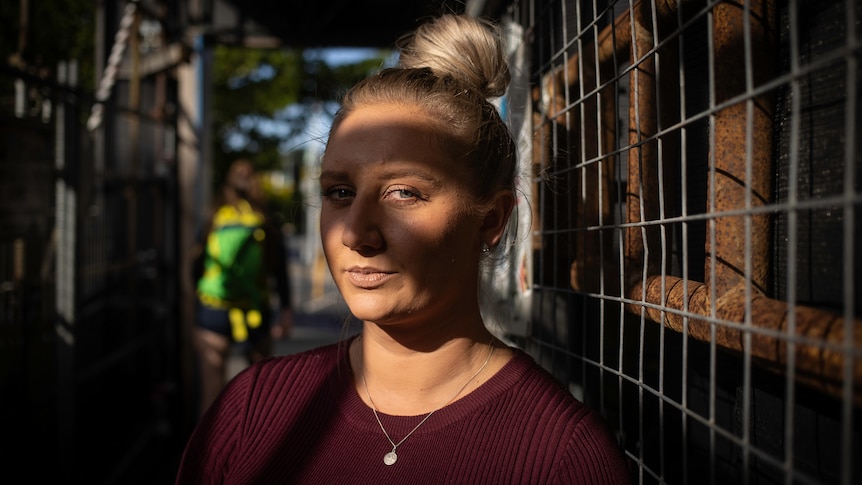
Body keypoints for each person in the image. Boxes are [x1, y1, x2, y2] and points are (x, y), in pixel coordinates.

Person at [176, 14, 631, 484]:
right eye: (340, 193)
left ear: (492, 219)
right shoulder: (252, 408)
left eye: (403, 193)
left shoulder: (563, 458)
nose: (356, 233)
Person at [191, 158, 294, 419]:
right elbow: (279, 269)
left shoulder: (214, 216)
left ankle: (208, 455)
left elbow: (195, 265)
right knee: (259, 393)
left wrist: (196, 303)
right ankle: (254, 454)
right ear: (256, 184)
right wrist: (285, 309)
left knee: (211, 391)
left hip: (213, 309)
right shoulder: (264, 220)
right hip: (254, 309)